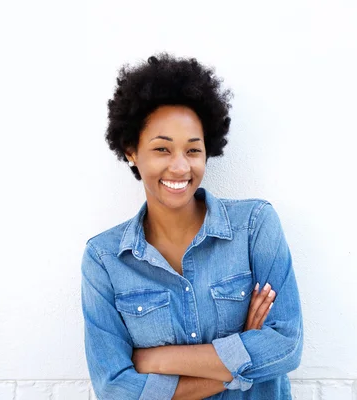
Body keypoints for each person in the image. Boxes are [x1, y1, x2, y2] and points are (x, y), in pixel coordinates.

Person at [81, 53, 303, 399]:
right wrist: (240, 355)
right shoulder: (105, 259)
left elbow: (286, 346)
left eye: (193, 150)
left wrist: (158, 359)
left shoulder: (255, 226)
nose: (180, 167)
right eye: (162, 149)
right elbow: (115, 387)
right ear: (131, 151)